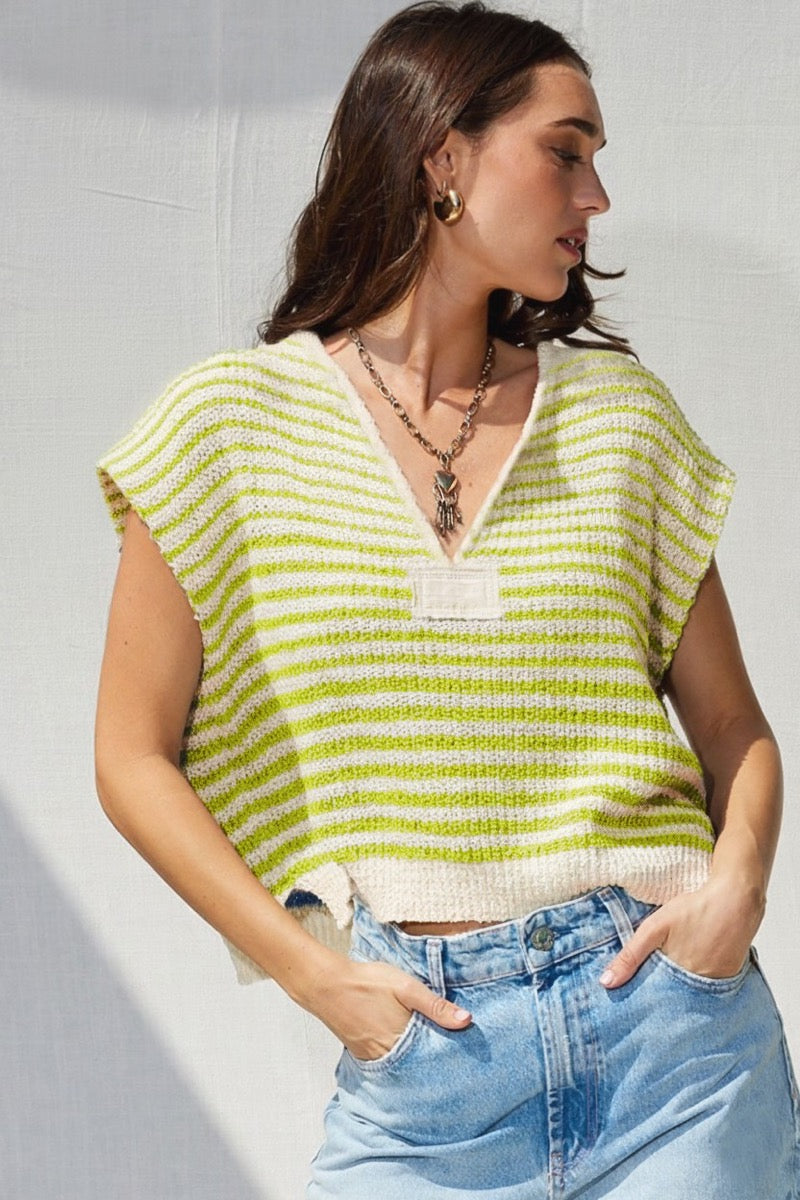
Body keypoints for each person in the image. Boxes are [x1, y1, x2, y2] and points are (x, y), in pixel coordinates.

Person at [94, 2, 799, 1196]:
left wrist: (734, 886)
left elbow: (734, 731)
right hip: (430, 1065)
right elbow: (129, 755)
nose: (595, 197)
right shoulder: (226, 428)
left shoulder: (619, 423)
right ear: (443, 159)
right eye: (565, 150)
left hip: (672, 1044)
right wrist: (318, 977)